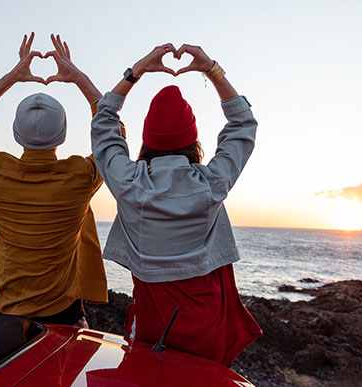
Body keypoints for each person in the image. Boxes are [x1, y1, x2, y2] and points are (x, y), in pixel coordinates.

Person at [90, 43, 262, 366]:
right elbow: (243, 125)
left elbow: (103, 123)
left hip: (156, 327)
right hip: (207, 325)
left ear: (147, 142)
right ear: (193, 142)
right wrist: (212, 70)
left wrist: (136, 70)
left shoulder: (129, 184)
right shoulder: (211, 184)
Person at [0, 33, 116, 327]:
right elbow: (113, 131)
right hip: (64, 313)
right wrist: (79, 77)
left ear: (17, 133)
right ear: (63, 134)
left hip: (7, 313)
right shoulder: (81, 176)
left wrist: (13, 76)